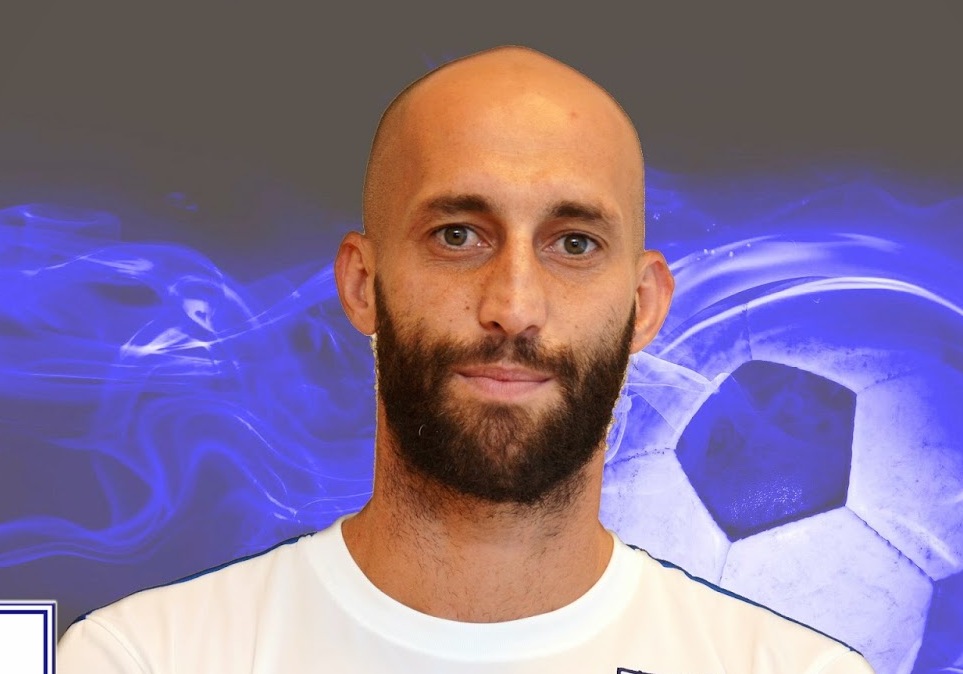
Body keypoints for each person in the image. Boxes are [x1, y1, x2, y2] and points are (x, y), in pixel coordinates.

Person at [58, 45, 874, 673]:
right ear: (363, 284)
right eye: (457, 235)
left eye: (573, 244)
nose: (513, 306)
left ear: (644, 305)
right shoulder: (149, 657)